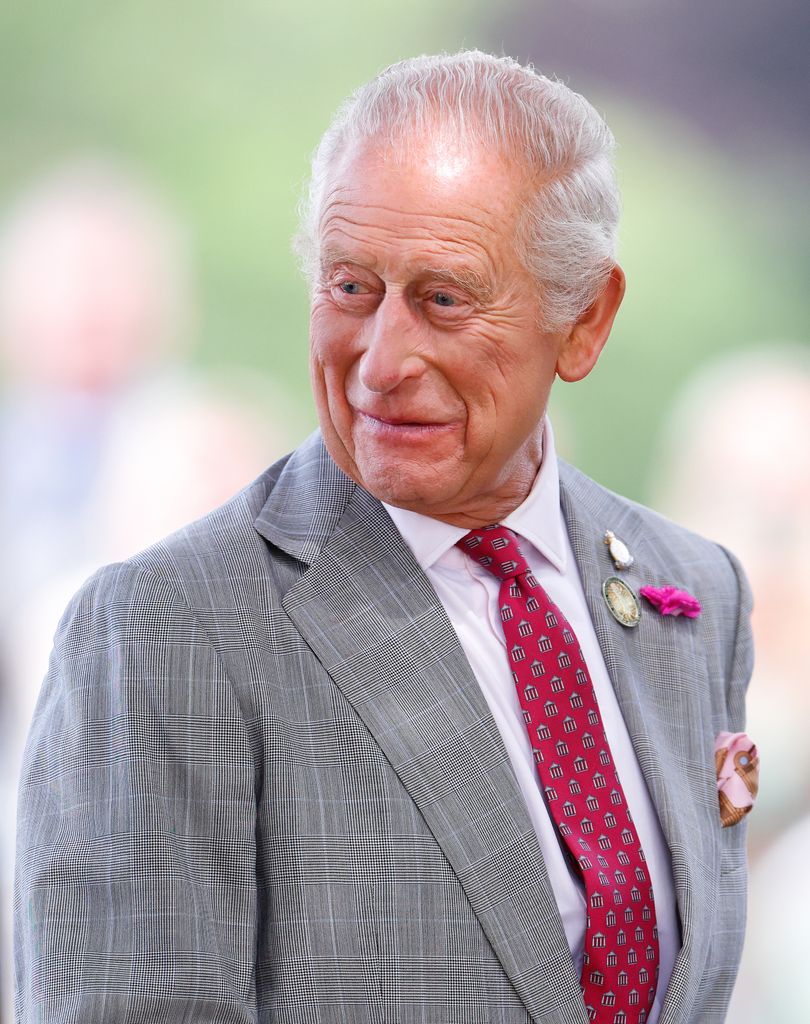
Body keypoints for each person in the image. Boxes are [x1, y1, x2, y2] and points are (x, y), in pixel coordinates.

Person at [15, 52, 754, 1024]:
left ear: (585, 321)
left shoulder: (692, 593)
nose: (382, 362)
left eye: (445, 299)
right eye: (352, 288)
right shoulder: (169, 628)